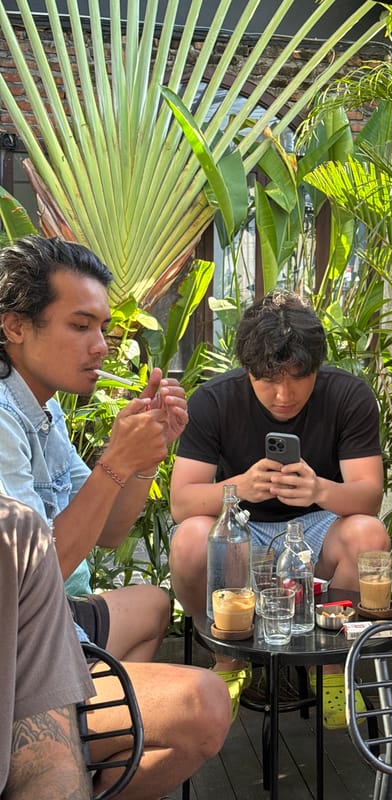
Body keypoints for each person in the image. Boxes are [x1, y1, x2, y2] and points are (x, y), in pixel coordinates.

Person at [0, 234, 231, 798]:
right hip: (22, 650)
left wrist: (146, 458)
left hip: (61, 621)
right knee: (204, 702)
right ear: (15, 327)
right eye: (80, 326)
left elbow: (109, 532)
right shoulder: (4, 422)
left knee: (153, 603)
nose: (101, 345)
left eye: (101, 327)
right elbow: (32, 580)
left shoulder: (41, 406)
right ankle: (69, 746)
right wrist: (115, 463)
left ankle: (96, 751)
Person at [169, 289, 390, 729]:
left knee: (368, 535)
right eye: (268, 379)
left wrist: (319, 490)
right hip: (240, 529)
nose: (284, 394)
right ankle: (228, 661)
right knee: (192, 538)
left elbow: (369, 497)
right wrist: (241, 487)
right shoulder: (215, 400)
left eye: (298, 377)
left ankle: (330, 671)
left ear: (317, 368)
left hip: (316, 527)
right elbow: (182, 502)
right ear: (248, 369)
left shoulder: (348, 396)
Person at [1, 492, 94, 799]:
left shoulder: (16, 531)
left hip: (61, 621)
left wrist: (134, 466)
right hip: (62, 624)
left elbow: (49, 769)